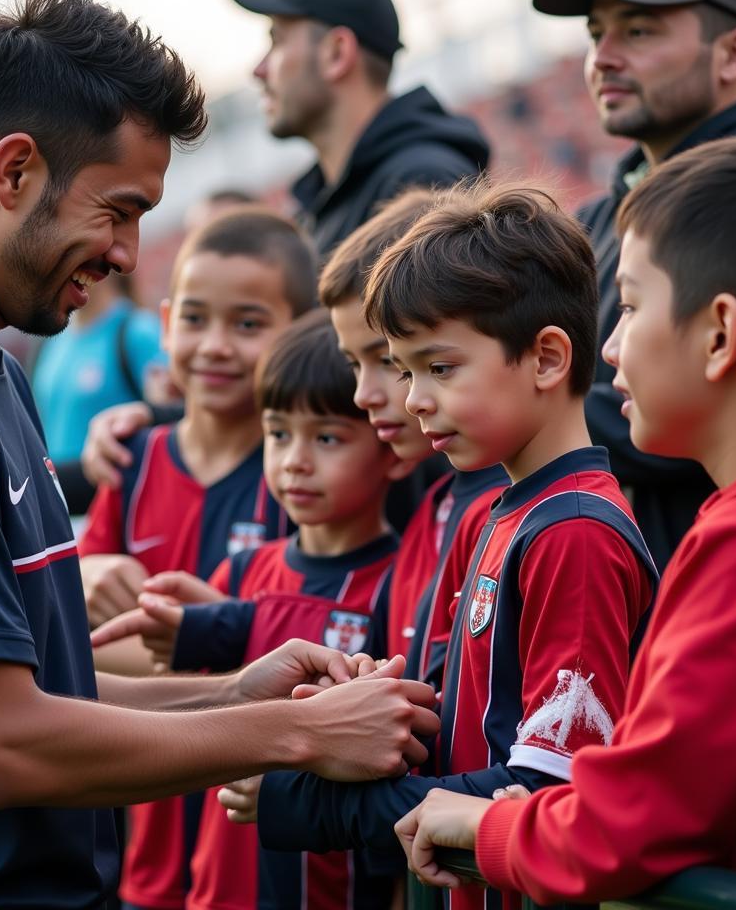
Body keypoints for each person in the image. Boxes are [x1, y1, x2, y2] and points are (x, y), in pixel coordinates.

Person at [0, 0, 441, 909]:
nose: (128, 253)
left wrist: (243, 695)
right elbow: (5, 749)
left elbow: (45, 697)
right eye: (118, 210)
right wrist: (299, 739)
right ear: (13, 171)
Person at [394, 131, 736, 899]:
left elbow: (636, 819)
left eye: (631, 306)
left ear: (719, 335)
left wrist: (491, 828)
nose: (607, 347)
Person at [249, 181, 659, 910]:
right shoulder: (504, 514)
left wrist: (312, 804)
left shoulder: (573, 534)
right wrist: (362, 729)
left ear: (546, 359)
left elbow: (549, 790)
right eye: (405, 371)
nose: (412, 399)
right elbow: (478, 741)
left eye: (438, 368)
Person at [97, 308, 412, 909]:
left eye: (326, 438)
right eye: (278, 433)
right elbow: (197, 705)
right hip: (215, 885)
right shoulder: (241, 574)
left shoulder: (396, 582)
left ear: (392, 449)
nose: (294, 460)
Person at [76, 207, 316, 910]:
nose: (215, 346)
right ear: (166, 319)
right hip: (143, 850)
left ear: (299, 332)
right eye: (196, 319)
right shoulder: (133, 460)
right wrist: (87, 579)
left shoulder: (305, 482)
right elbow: (74, 650)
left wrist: (167, 646)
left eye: (247, 324)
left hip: (254, 852)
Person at [531, 0, 736, 567]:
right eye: (596, 34)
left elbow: (695, 396)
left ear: (733, 53)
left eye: (639, 32)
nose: (603, 58)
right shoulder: (598, 215)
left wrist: (500, 406)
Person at [318, 188, 507, 682]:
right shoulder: (436, 505)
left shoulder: (499, 512)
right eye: (351, 364)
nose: (363, 394)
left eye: (386, 361)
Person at [229, 0, 490, 255]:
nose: (258, 69)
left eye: (277, 41)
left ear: (337, 53)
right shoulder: (321, 204)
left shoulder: (421, 186)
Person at [31, 270, 163, 510]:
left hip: (112, 509)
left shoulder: (139, 331)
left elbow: (167, 419)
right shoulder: (50, 343)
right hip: (60, 513)